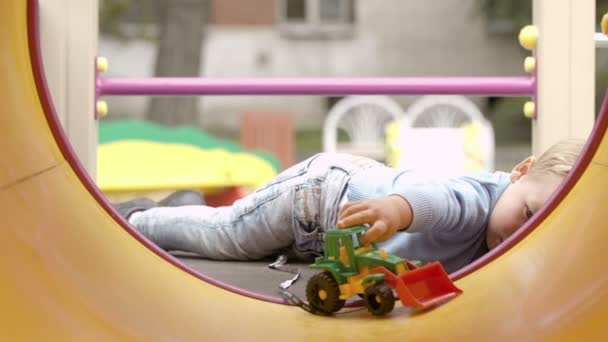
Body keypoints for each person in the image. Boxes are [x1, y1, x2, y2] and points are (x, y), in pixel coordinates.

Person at [114, 139, 584, 273]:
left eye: (538, 233)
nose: (522, 235)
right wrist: (397, 211)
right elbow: (439, 201)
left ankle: (185, 206)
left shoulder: (505, 242)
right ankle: (139, 218)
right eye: (527, 215)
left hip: (344, 224)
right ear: (519, 173)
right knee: (231, 238)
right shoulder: (481, 199)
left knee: (241, 239)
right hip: (321, 198)